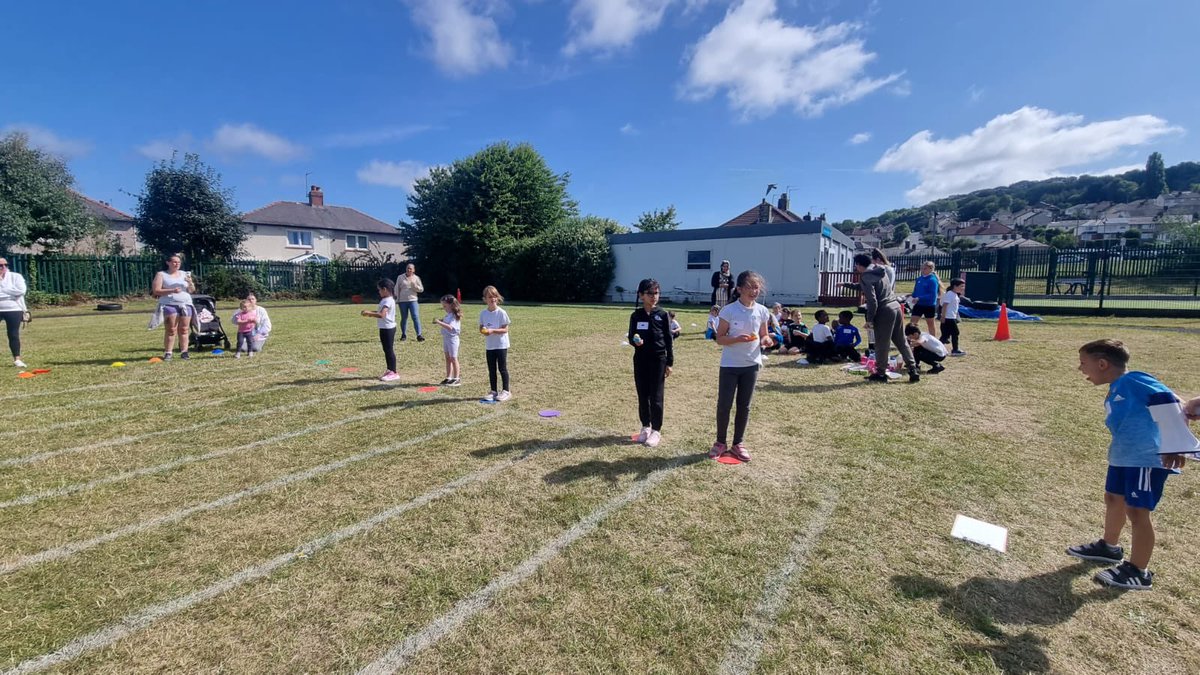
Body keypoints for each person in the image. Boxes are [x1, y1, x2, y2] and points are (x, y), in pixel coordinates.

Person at [1067, 339, 1191, 590]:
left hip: (1145, 459)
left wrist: (1176, 443)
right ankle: (1109, 547)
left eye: (1083, 363)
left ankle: (1138, 570)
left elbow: (1169, 399)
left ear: (1102, 364)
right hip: (1123, 457)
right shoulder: (1117, 386)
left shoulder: (1133, 380)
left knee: (1137, 511)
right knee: (1113, 498)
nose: (1080, 369)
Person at [710, 270, 773, 462]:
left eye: (756, 287)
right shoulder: (728, 310)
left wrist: (766, 340)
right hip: (729, 365)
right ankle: (720, 442)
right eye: (749, 287)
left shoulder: (762, 311)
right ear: (739, 289)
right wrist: (737, 338)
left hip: (751, 364)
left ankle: (738, 443)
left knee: (744, 406)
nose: (754, 291)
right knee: (724, 405)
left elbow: (764, 334)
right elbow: (720, 339)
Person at [856, 252, 918, 383]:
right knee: (901, 340)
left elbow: (872, 301)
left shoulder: (866, 276)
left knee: (882, 343)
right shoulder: (879, 271)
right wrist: (845, 284)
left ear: (859, 265)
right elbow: (867, 288)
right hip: (895, 306)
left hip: (884, 310)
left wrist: (870, 320)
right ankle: (913, 369)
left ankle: (881, 373)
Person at [628, 278, 674, 448]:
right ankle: (645, 427)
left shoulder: (662, 314)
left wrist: (669, 362)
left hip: (658, 359)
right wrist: (635, 341)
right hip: (640, 359)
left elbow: (669, 339)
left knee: (656, 396)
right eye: (650, 293)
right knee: (643, 394)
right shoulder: (636, 315)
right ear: (641, 295)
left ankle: (656, 430)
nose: (654, 296)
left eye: (656, 293)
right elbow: (631, 335)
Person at [150, 253, 196, 360]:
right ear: (168, 263)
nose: (177, 264)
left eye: (179, 262)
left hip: (186, 304)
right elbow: (156, 291)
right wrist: (172, 290)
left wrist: (190, 283)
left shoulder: (185, 274)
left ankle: (184, 352)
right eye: (174, 262)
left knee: (184, 329)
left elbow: (192, 290)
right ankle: (168, 352)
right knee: (171, 329)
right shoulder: (161, 274)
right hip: (169, 304)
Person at [361, 278, 399, 382]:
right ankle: (390, 369)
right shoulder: (385, 300)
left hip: (388, 328)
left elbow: (382, 314)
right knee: (386, 350)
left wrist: (369, 313)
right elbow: (380, 312)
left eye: (379, 290)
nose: (379, 292)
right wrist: (370, 312)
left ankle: (394, 372)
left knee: (389, 350)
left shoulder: (388, 300)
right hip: (384, 328)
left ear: (385, 289)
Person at [479, 286, 511, 402]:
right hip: (490, 345)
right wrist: (484, 331)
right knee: (491, 369)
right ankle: (493, 391)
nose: (492, 299)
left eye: (494, 296)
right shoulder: (483, 313)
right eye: (489, 297)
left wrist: (492, 331)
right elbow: (481, 327)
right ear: (485, 299)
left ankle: (506, 391)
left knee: (502, 368)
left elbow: (505, 329)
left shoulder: (502, 313)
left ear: (497, 298)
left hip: (501, 345)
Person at [0, 257, 29, 368]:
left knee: (13, 334)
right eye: (0, 265)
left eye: (5, 265)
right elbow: (15, 292)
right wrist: (11, 292)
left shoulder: (16, 276)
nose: (3, 267)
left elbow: (21, 291)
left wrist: (4, 291)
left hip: (14, 309)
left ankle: (17, 359)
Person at [433, 294, 463, 386]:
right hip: (446, 338)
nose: (444, 308)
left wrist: (439, 322)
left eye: (445, 306)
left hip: (452, 339)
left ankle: (456, 378)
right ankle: (448, 377)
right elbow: (446, 322)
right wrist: (441, 320)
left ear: (451, 305)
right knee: (448, 358)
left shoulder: (454, 315)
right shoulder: (448, 315)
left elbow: (450, 327)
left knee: (454, 358)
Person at [394, 263, 425, 342]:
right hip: (402, 301)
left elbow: (421, 289)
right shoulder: (400, 277)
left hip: (413, 300)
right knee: (404, 318)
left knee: (415, 317)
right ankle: (403, 334)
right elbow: (397, 288)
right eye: (408, 268)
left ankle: (419, 335)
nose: (409, 270)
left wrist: (415, 286)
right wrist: (396, 299)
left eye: (411, 268)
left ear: (414, 270)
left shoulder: (416, 278)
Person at [910, 261, 941, 334]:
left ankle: (933, 340)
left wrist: (919, 298)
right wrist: (911, 296)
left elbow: (932, 294)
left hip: (929, 305)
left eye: (925, 269)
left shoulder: (932, 280)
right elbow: (916, 291)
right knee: (913, 323)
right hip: (918, 304)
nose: (923, 270)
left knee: (930, 324)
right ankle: (912, 338)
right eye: (922, 268)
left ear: (931, 269)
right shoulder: (919, 279)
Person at [941, 278, 967, 356]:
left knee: (945, 336)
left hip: (952, 317)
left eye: (963, 286)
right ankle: (955, 350)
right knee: (955, 333)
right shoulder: (950, 294)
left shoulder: (955, 294)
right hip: (948, 317)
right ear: (955, 286)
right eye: (961, 286)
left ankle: (935, 348)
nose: (963, 288)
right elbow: (944, 305)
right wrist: (943, 317)